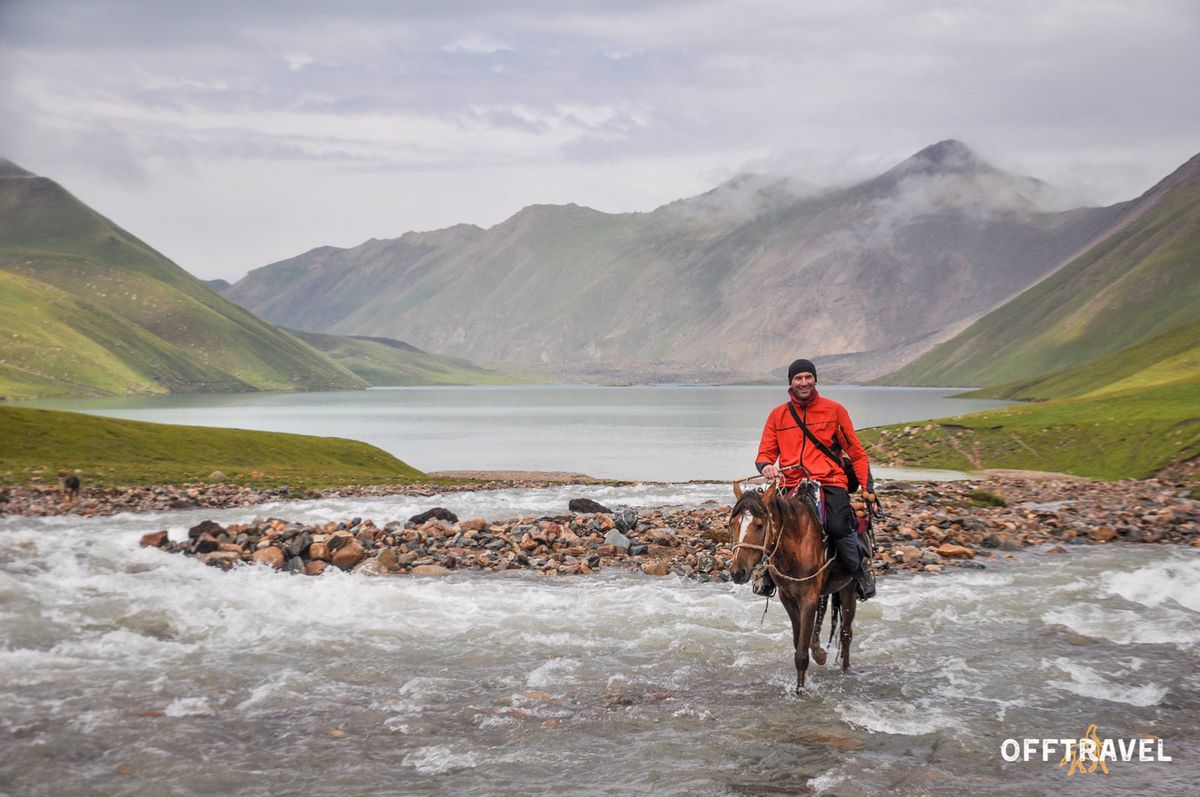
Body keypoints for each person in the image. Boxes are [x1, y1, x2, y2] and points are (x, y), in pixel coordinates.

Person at [755, 358, 876, 600]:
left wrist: (866, 487)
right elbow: (765, 453)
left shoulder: (834, 411)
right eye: (798, 378)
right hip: (791, 484)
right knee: (768, 523)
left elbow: (857, 454)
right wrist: (767, 466)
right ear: (790, 382)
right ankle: (767, 571)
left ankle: (858, 569)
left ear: (815, 379)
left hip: (830, 481)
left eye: (808, 377)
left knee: (839, 525)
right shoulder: (778, 416)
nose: (803, 382)